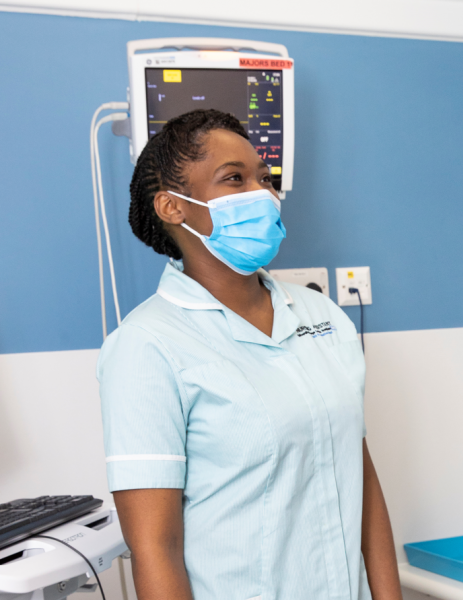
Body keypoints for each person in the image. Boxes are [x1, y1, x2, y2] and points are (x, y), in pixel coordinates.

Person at [98, 109, 401, 600]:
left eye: (264, 178)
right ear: (172, 207)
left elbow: (361, 483)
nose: (261, 193)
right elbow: (156, 547)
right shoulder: (146, 346)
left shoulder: (320, 315)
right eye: (234, 179)